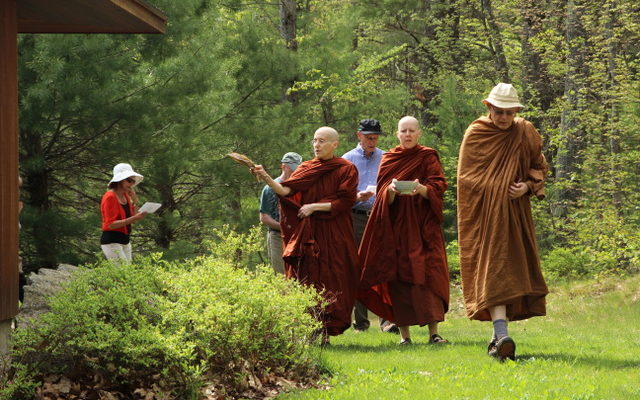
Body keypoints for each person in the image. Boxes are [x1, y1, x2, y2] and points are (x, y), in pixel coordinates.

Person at [457, 82, 549, 361]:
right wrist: (497, 188)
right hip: (484, 217)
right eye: (499, 112)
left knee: (511, 268)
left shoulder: (526, 131)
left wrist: (528, 187)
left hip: (516, 215)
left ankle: (498, 339)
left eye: (510, 113)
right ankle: (501, 334)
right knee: (493, 266)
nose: (504, 118)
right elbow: (466, 178)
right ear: (489, 108)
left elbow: (540, 165)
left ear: (517, 112)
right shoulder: (476, 133)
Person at [253, 127, 360, 344]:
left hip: (336, 232)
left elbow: (345, 201)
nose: (316, 145)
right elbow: (285, 191)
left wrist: (314, 207)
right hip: (311, 234)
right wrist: (265, 176)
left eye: (322, 141)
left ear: (335, 144)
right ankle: (311, 330)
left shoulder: (346, 169)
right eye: (314, 141)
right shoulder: (307, 168)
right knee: (309, 277)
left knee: (333, 277)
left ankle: (327, 332)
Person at [358, 116, 450, 345]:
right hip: (397, 228)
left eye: (411, 131)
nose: (407, 135)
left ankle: (434, 334)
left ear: (419, 133)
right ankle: (404, 336)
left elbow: (439, 187)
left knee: (429, 276)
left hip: (423, 227)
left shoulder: (428, 155)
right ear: (397, 134)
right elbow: (381, 197)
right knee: (399, 278)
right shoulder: (390, 158)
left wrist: (422, 189)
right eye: (403, 131)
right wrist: (390, 191)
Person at [342, 118, 398, 334]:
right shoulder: (347, 159)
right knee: (358, 267)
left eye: (375, 137)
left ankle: (387, 321)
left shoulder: (385, 157)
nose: (372, 141)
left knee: (382, 264)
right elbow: (341, 194)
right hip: (355, 216)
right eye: (368, 137)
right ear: (359, 136)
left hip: (379, 215)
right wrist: (356, 197)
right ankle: (361, 323)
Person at [259, 152, 302, 274]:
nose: (295, 172)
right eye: (291, 168)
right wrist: (284, 227)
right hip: (277, 237)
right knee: (281, 273)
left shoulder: (299, 186)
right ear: (283, 166)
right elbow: (264, 217)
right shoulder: (269, 188)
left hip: (297, 237)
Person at [100, 163, 147, 263]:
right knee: (123, 274)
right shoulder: (110, 197)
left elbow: (133, 218)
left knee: (127, 274)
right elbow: (111, 224)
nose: (131, 184)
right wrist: (134, 218)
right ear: (120, 180)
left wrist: (134, 200)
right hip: (112, 240)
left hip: (125, 240)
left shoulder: (126, 196)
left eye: (133, 181)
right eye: (129, 180)